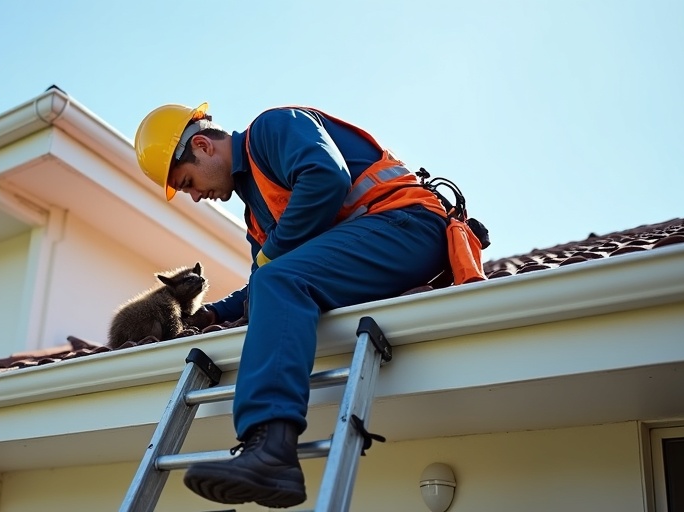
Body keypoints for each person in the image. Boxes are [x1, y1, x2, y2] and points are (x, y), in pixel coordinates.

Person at [133, 102, 483, 508]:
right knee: (274, 282)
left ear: (202, 146)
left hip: (408, 227)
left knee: (276, 277)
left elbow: (325, 177)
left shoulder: (271, 130)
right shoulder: (257, 217)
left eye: (188, 181)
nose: (195, 196)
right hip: (375, 245)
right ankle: (268, 450)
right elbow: (265, 285)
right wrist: (215, 313)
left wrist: (270, 258)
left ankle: (270, 449)